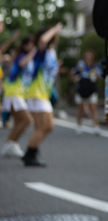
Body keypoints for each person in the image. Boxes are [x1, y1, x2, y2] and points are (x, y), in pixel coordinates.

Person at [23, 23, 63, 166]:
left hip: (42, 94)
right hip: (36, 93)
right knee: (43, 127)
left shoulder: (51, 52)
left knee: (48, 127)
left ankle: (31, 152)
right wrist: (54, 29)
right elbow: (43, 40)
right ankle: (29, 155)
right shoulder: (42, 50)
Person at [1, 34, 34, 158]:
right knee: (26, 120)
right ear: (25, 46)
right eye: (32, 44)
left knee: (20, 121)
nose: (34, 46)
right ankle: (10, 145)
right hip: (14, 92)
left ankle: (11, 144)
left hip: (19, 93)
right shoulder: (22, 56)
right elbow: (21, 64)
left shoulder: (27, 57)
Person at [71, 49, 102, 136]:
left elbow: (99, 78)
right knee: (80, 109)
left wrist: (96, 74)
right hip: (81, 90)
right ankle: (78, 126)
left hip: (91, 90)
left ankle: (96, 128)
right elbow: (72, 74)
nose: (88, 59)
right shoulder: (80, 66)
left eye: (90, 57)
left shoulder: (95, 67)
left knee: (93, 109)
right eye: (86, 57)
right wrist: (75, 78)